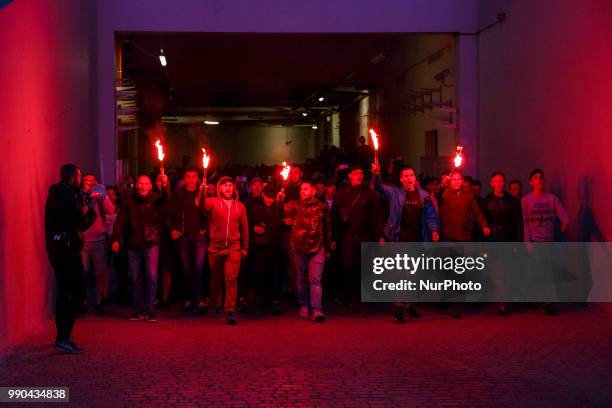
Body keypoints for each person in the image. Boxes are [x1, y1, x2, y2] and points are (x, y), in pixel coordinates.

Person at [372, 163, 440, 322]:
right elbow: (379, 188)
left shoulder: (423, 195)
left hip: (418, 240)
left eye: (412, 175)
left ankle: (408, 304)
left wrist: (434, 230)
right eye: (406, 176)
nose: (410, 178)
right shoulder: (395, 193)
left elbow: (430, 216)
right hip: (400, 239)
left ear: (415, 178)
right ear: (402, 179)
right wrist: (376, 175)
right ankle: (399, 306)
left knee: (414, 275)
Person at [45, 164, 97, 353]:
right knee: (78, 292)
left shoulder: (57, 193)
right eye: (79, 176)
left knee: (64, 293)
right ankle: (63, 337)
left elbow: (65, 216)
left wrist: (80, 199)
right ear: (73, 177)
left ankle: (63, 335)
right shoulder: (66, 196)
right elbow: (80, 224)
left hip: (57, 249)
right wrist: (91, 210)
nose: (81, 180)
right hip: (68, 250)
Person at [111, 174, 168, 323]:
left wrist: (164, 185)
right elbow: (120, 221)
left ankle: (149, 310)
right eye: (140, 183)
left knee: (151, 277)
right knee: (135, 278)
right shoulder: (128, 201)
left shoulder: (155, 198)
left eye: (146, 184)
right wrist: (116, 239)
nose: (143, 186)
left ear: (150, 186)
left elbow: (165, 198)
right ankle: (139, 309)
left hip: (151, 243)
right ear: (136, 185)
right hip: (133, 244)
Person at [331, 164, 384, 314]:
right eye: (355, 173)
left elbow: (377, 215)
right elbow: (334, 215)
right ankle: (349, 298)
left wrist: (379, 235)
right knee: (348, 267)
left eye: (361, 173)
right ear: (349, 175)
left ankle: (363, 298)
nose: (359, 175)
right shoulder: (342, 193)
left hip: (365, 235)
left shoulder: (369, 193)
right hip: (347, 235)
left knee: (364, 267)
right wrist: (334, 236)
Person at [438, 170, 490, 318]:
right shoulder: (445, 193)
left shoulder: (469, 196)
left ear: (462, 181)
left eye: (458, 179)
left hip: (464, 237)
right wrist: (442, 186)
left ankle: (455, 303)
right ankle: (450, 301)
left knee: (459, 272)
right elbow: (434, 198)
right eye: (453, 179)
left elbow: (477, 212)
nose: (456, 182)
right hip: (448, 237)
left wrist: (484, 225)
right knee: (449, 271)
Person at [199, 176, 249, 325]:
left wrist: (245, 247)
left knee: (231, 279)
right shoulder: (212, 202)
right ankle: (216, 304)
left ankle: (229, 311)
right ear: (219, 188)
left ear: (233, 189)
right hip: (215, 248)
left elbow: (245, 228)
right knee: (216, 280)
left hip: (234, 247)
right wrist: (202, 193)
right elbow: (201, 208)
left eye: (230, 185)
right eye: (224, 185)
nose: (227, 188)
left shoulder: (240, 206)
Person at [521, 169, 570, 316]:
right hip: (535, 241)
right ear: (531, 182)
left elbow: (563, 214)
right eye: (536, 178)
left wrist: (565, 223)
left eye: (541, 177)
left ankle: (541, 300)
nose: (539, 180)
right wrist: (527, 242)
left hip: (549, 240)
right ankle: (539, 300)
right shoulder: (526, 200)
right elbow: (526, 222)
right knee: (539, 271)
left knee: (543, 272)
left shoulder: (551, 198)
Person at [282, 180, 331, 323]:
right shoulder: (294, 205)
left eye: (306, 189)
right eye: (301, 189)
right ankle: (303, 304)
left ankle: (316, 309)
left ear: (314, 191)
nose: (302, 191)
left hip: (317, 248)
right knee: (301, 280)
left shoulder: (322, 206)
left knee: (315, 279)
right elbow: (280, 211)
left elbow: (328, 227)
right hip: (298, 249)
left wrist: (328, 248)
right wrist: (280, 200)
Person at [169, 167, 209, 314]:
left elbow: (207, 215)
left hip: (199, 236)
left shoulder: (202, 192)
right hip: (184, 236)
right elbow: (170, 214)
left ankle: (199, 300)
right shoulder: (178, 194)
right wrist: (173, 229)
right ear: (184, 179)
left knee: (199, 269)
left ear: (198, 178)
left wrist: (201, 203)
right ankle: (188, 299)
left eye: (194, 177)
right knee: (186, 269)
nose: (191, 179)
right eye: (188, 177)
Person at [482, 171, 523, 315]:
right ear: (491, 183)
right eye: (496, 181)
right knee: (495, 271)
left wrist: (518, 242)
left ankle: (503, 298)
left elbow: (518, 223)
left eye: (501, 181)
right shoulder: (486, 202)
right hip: (493, 240)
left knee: (506, 270)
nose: (499, 183)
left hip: (508, 240)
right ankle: (501, 301)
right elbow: (482, 223)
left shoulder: (512, 201)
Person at [80, 173, 116, 316]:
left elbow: (111, 210)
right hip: (83, 239)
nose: (89, 184)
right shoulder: (80, 195)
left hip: (99, 239)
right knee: (82, 272)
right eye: (86, 181)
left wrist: (103, 196)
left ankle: (99, 301)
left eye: (92, 181)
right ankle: (82, 302)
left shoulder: (100, 194)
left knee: (99, 273)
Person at [247, 183, 284, 314]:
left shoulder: (279, 207)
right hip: (259, 246)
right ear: (263, 195)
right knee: (259, 272)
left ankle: (274, 300)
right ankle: (261, 297)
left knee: (275, 272)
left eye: (272, 198)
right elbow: (246, 223)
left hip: (274, 246)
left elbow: (283, 225)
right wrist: (253, 228)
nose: (270, 200)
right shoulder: (254, 206)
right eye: (268, 197)